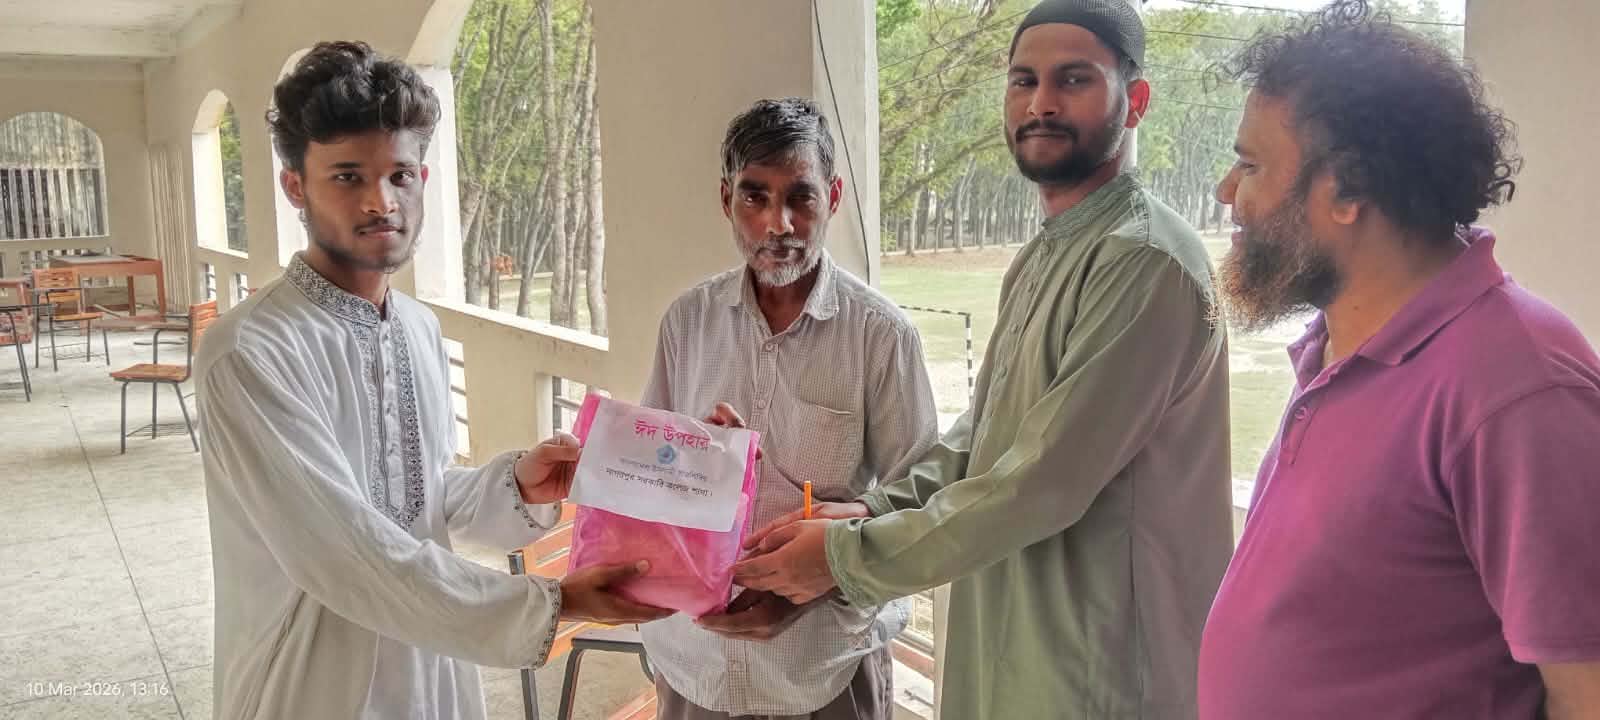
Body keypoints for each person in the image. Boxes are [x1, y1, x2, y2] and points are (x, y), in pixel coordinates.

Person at [731, 1, 1233, 717]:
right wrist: (870, 510)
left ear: (1138, 100)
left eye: (1074, 80)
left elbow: (1042, 483)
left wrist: (844, 559)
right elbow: (986, 434)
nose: (1041, 103)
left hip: (1102, 664)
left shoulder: (1145, 261)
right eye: (1023, 80)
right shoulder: (1051, 251)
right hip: (1017, 639)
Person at [195, 41, 669, 720]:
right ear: (295, 185)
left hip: (432, 668)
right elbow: (345, 555)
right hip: (313, 680)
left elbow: (421, 500)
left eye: (400, 175)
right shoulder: (250, 351)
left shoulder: (416, 327)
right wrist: (555, 602)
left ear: (422, 178)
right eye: (348, 176)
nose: (380, 201)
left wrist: (517, 483)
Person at [1197, 2, 1600, 717]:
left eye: (1251, 164)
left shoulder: (1518, 389)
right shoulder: (1338, 347)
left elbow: (1586, 691)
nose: (1228, 191)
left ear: (1348, 187)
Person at [638, 97, 940, 720]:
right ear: (727, 199)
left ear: (833, 196)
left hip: (823, 669)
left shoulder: (881, 336)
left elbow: (919, 506)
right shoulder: (687, 322)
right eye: (755, 196)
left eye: (801, 197)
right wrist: (699, 458)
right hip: (695, 666)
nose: (778, 224)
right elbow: (649, 479)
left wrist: (811, 588)